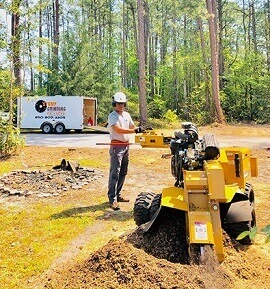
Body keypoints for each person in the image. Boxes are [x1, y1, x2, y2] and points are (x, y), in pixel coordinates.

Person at [107, 91, 144, 210]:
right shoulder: (112, 116)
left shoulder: (127, 115)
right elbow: (118, 130)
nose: (120, 106)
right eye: (118, 103)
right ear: (114, 103)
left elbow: (132, 126)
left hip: (126, 146)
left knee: (123, 172)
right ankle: (112, 199)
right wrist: (134, 131)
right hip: (116, 147)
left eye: (122, 104)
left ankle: (118, 195)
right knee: (115, 173)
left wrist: (140, 129)